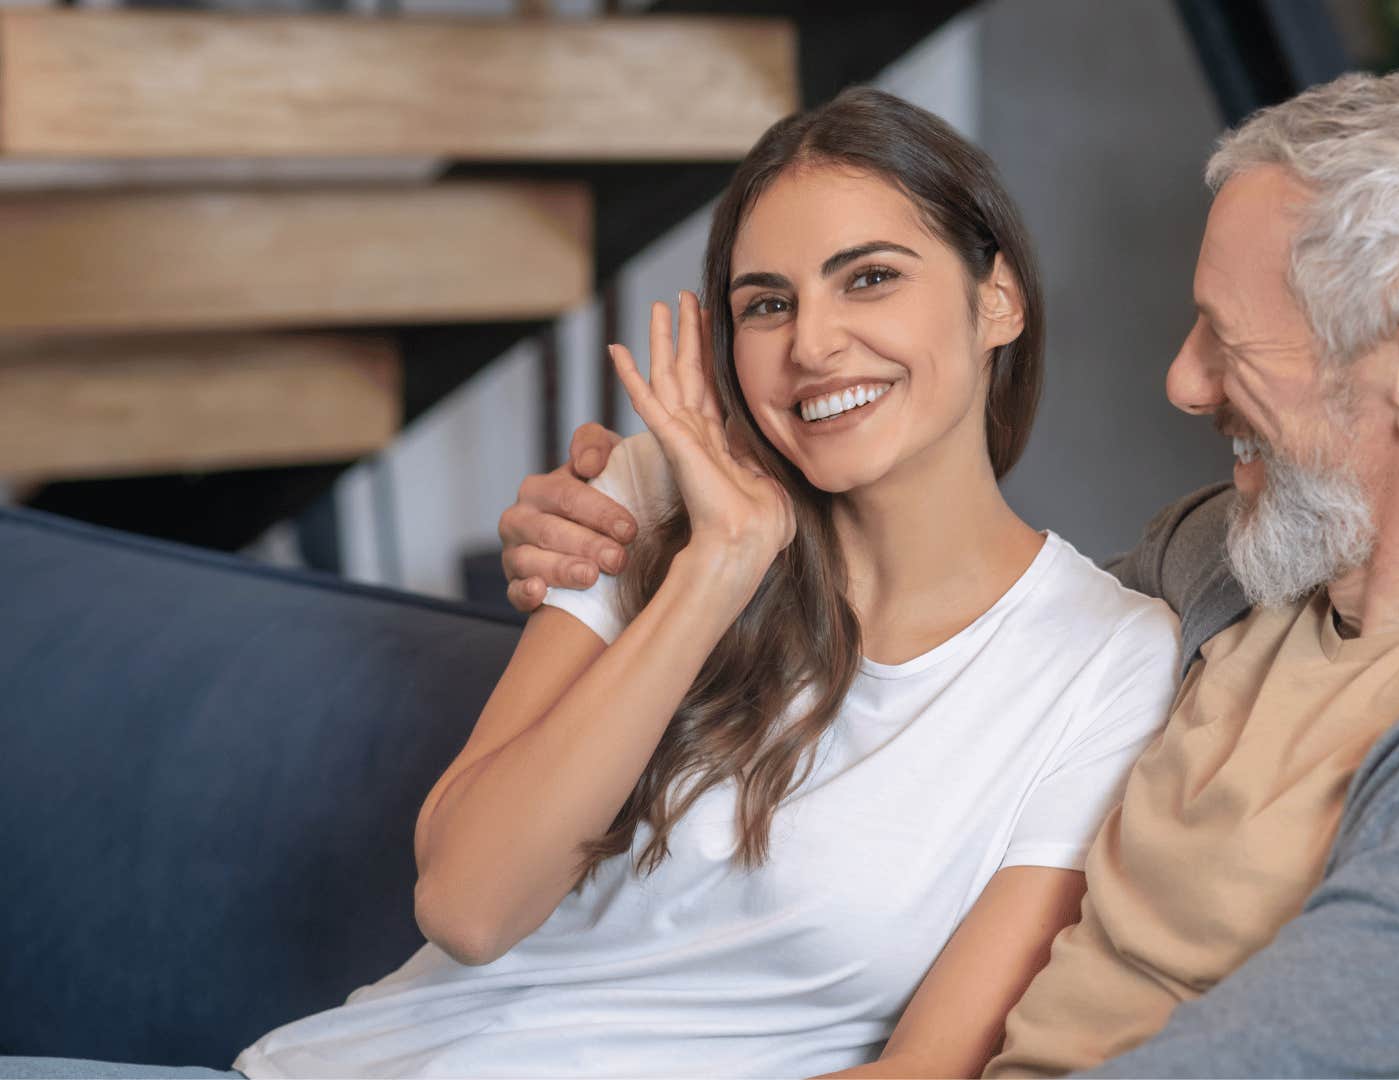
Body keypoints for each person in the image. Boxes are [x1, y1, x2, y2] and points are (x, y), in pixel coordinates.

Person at [503, 63, 1399, 1078]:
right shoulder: (1235, 568)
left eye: (1228, 342)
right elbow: (975, 643)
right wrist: (641, 506)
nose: (1184, 384)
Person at [0, 89, 1181, 1080]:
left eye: (868, 278)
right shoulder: (658, 497)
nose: (812, 343)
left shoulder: (1107, 658)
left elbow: (926, 1069)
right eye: (766, 303)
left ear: (997, 301)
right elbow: (469, 905)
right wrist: (716, 571)